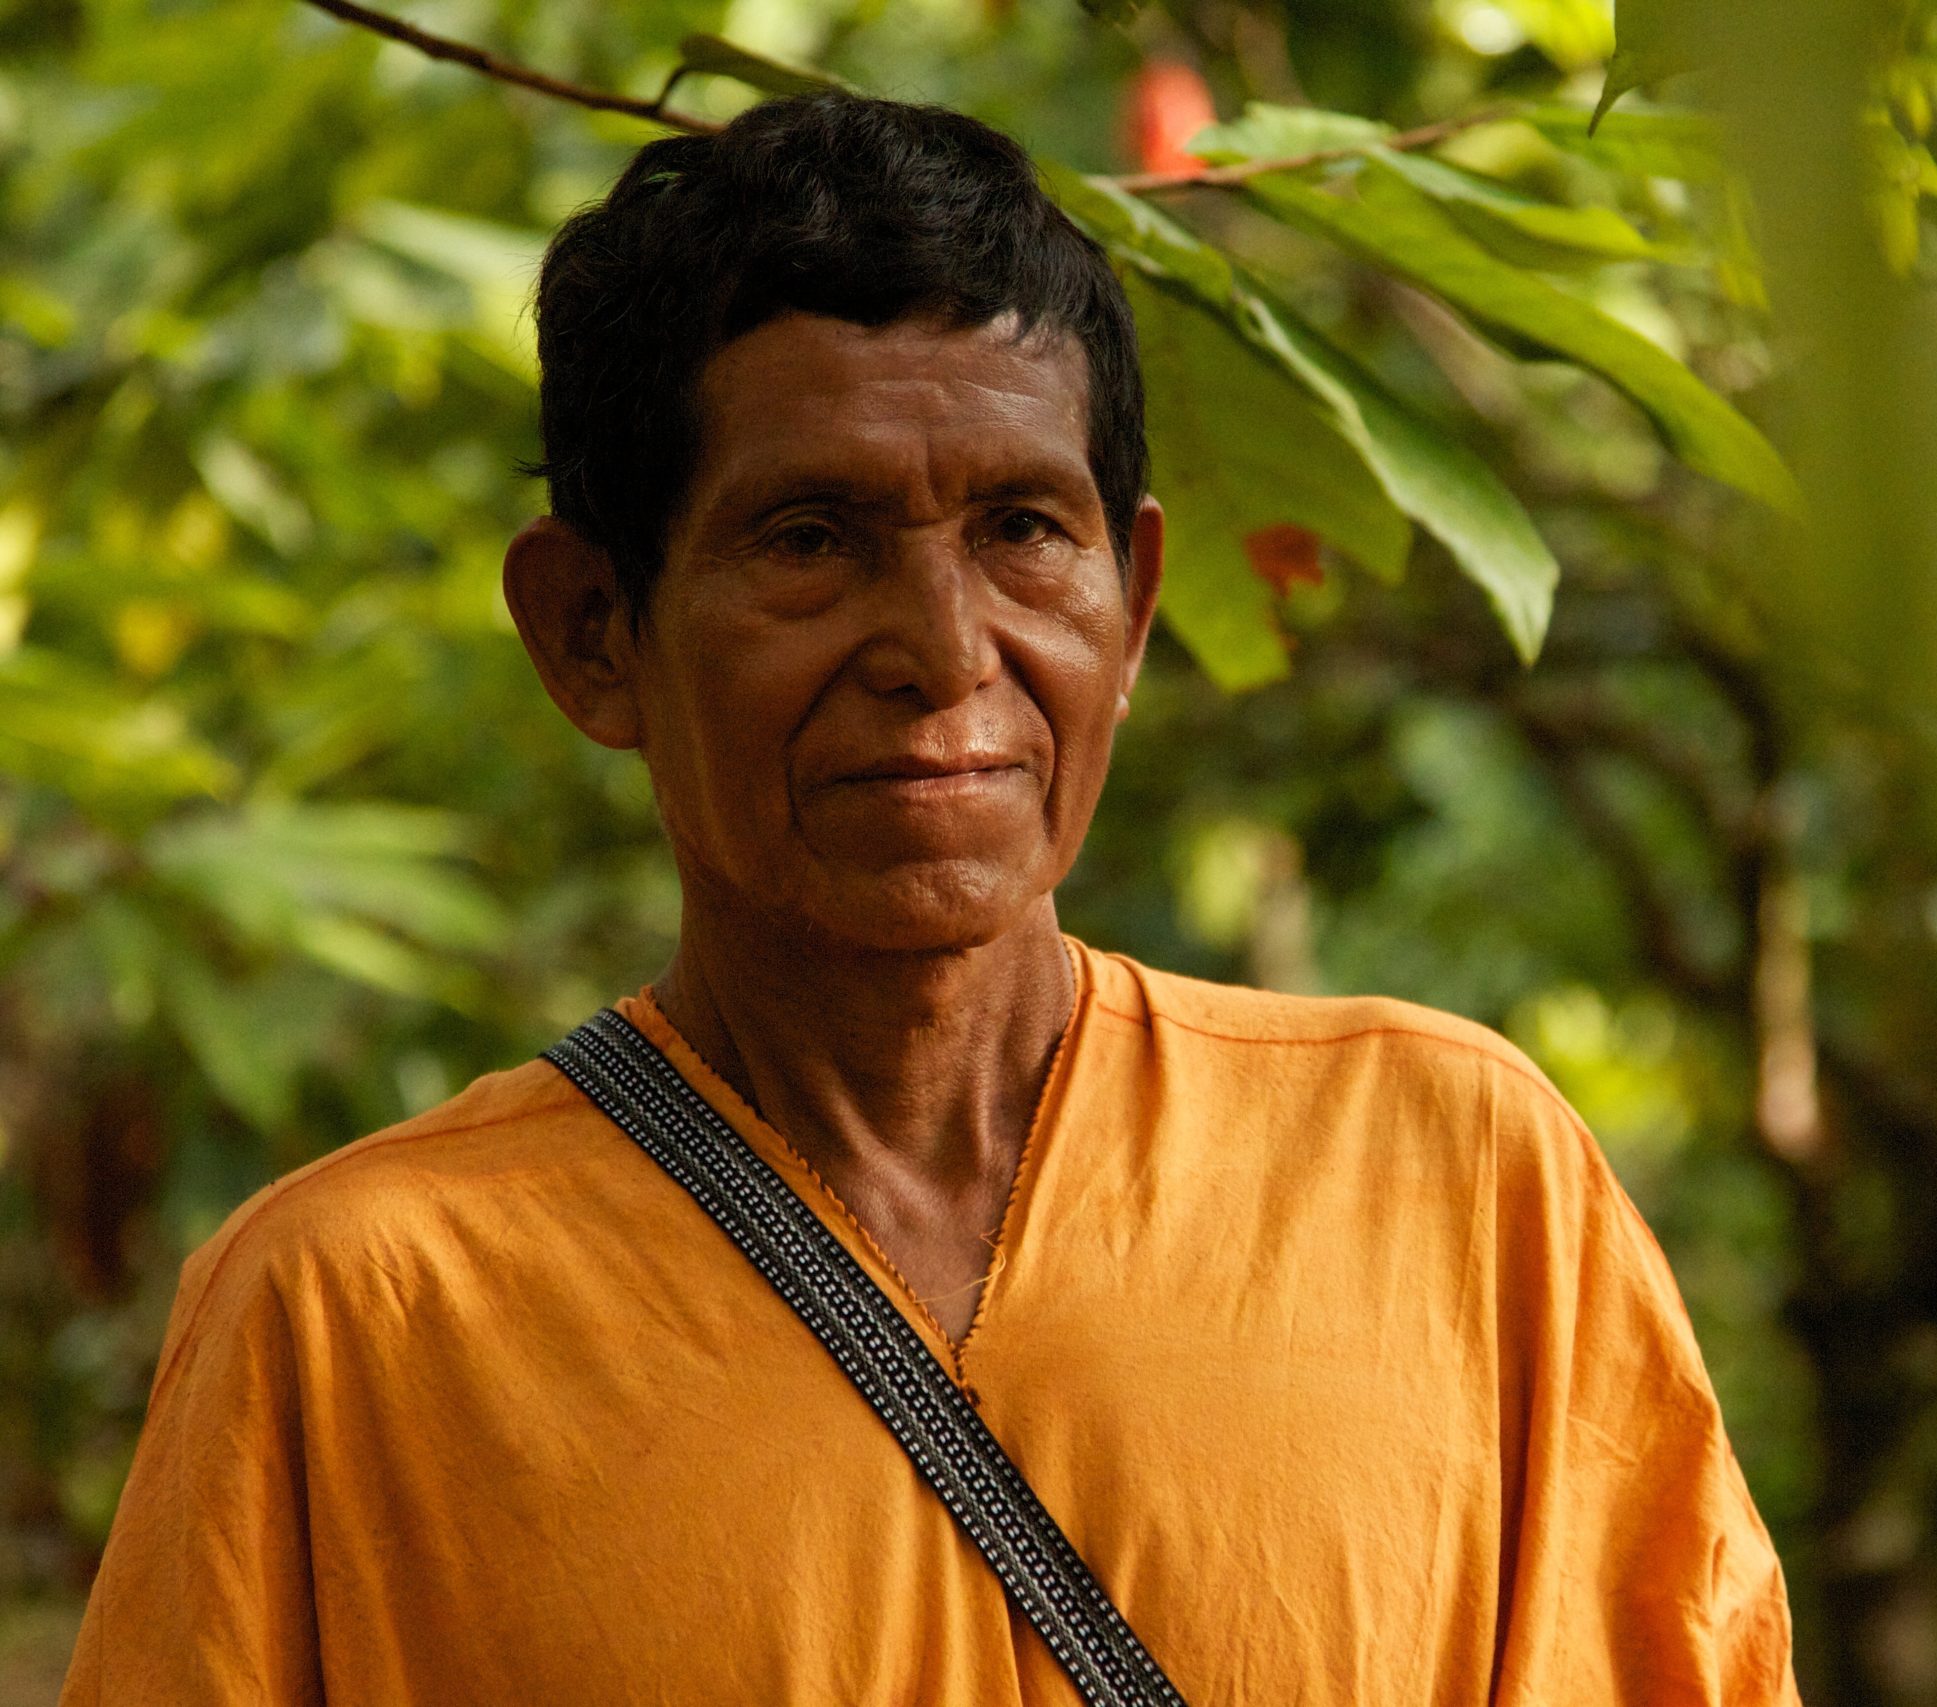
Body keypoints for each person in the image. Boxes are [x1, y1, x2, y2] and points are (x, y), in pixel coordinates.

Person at [63, 91, 1798, 1705]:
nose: (945, 654)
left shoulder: (1450, 1173)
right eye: (812, 537)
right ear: (593, 632)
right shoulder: (355, 1311)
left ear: (1131, 603)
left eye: (1024, 530)